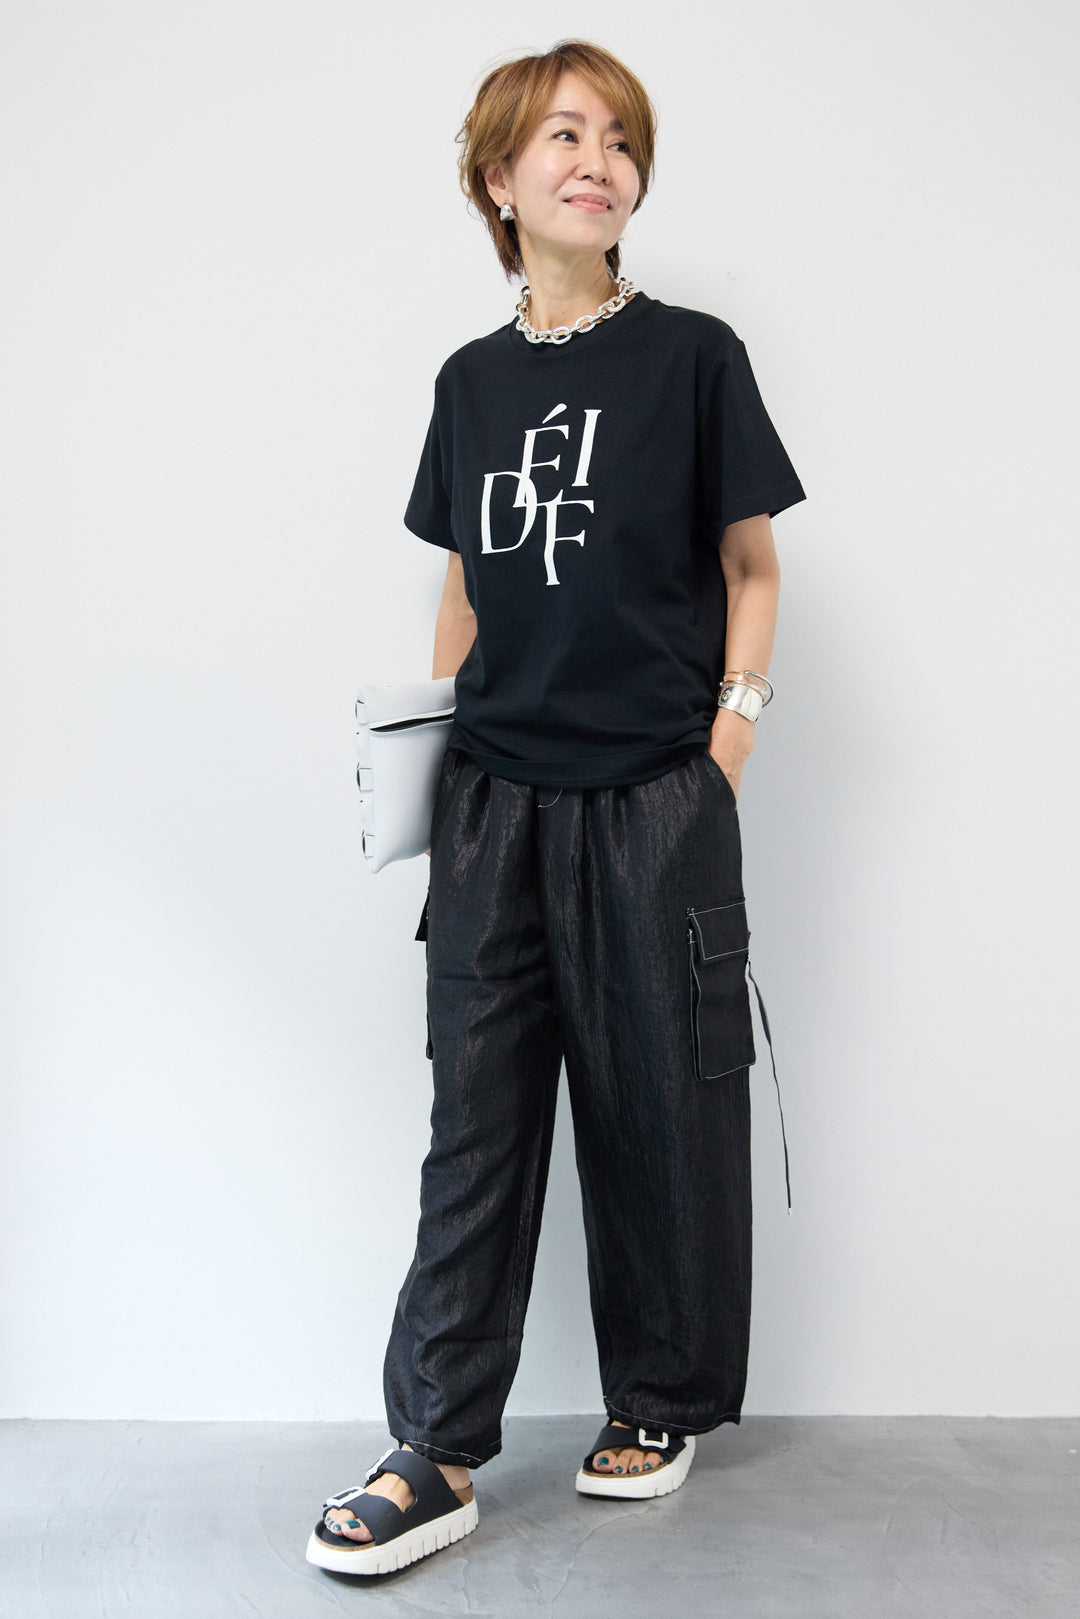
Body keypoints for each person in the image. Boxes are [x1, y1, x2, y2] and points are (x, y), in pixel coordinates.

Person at [306, 37, 806, 1577]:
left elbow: (751, 566)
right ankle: (437, 1446)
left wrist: (726, 744)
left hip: (655, 799)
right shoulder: (470, 383)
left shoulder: (695, 358)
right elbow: (466, 585)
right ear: (499, 180)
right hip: (494, 808)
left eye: (622, 140)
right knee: (477, 1124)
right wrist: (434, 763)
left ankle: (659, 1399)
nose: (601, 162)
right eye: (567, 137)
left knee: (663, 1111)